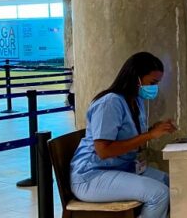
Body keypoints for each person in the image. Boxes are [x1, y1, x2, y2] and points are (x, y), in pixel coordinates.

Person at [70, 52, 176, 218]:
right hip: (92, 176)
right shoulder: (110, 102)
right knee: (158, 194)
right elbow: (104, 151)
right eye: (152, 82)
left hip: (120, 168)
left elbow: (126, 135)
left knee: (172, 183)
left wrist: (152, 130)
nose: (155, 88)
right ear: (136, 77)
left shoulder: (135, 100)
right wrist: (149, 135)